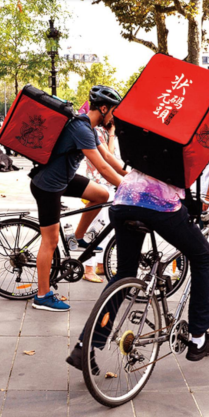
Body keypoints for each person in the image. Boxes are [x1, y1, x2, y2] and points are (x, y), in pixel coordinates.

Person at [66, 121, 209, 368]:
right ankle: (198, 339)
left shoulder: (158, 123)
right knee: (203, 257)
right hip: (161, 205)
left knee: (124, 274)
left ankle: (85, 346)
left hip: (123, 199)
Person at [30, 85, 127, 312]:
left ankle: (77, 237)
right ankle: (42, 295)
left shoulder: (89, 128)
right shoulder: (80, 128)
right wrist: (126, 188)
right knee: (50, 240)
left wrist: (127, 175)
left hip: (63, 179)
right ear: (104, 108)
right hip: (47, 186)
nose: (114, 117)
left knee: (102, 194)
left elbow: (108, 157)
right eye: (114, 111)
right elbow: (101, 166)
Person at [81, 119, 119, 283]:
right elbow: (108, 158)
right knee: (95, 227)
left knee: (106, 227)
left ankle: (100, 265)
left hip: (107, 184)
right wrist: (112, 133)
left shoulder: (106, 132)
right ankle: (88, 269)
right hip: (97, 185)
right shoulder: (97, 132)